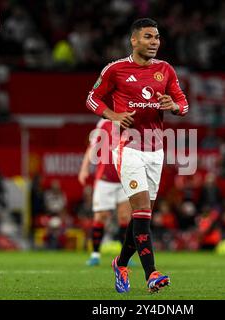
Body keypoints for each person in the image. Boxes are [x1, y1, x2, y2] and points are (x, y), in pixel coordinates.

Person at [86, 18, 189, 293]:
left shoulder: (165, 70)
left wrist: (174, 106)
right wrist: (114, 115)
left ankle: (120, 262)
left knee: (141, 217)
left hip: (156, 150)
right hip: (128, 148)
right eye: (148, 37)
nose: (154, 42)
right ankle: (151, 274)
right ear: (134, 40)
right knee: (142, 211)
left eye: (157, 37)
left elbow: (184, 103)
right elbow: (92, 98)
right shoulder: (116, 69)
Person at [78, 119, 132, 266]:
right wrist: (84, 168)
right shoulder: (104, 123)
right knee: (101, 216)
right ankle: (95, 254)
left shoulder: (133, 119)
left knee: (125, 217)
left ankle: (125, 256)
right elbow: (92, 147)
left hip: (124, 178)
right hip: (104, 179)